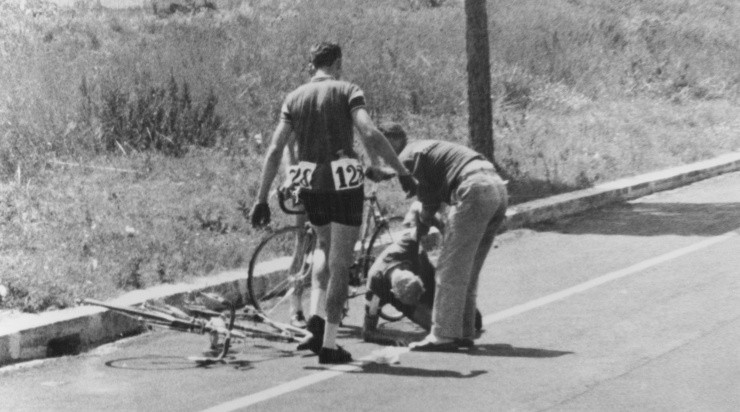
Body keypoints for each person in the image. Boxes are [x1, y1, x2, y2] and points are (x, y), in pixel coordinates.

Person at [249, 43, 416, 364]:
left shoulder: (294, 98)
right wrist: (402, 171)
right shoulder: (348, 89)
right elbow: (369, 132)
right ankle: (328, 344)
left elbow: (274, 149)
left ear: (312, 66)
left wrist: (261, 199)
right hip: (345, 184)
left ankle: (315, 320)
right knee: (341, 263)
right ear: (337, 64)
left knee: (322, 246)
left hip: (310, 183)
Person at [378, 122, 508, 351]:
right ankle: (464, 332)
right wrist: (425, 222)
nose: (380, 153)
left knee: (448, 268)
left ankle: (443, 336)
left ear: (392, 141)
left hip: (473, 188)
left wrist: (420, 230)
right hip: (496, 186)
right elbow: (430, 197)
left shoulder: (407, 156)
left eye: (381, 145)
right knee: (467, 269)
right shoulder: (423, 148)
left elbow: (427, 201)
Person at [362, 225, 483, 346]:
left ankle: (429, 297)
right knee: (445, 331)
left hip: (426, 274)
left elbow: (422, 222)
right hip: (407, 301)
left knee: (475, 321)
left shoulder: (406, 245)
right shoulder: (375, 289)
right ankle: (419, 311)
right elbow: (368, 332)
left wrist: (443, 230)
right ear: (394, 293)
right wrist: (393, 340)